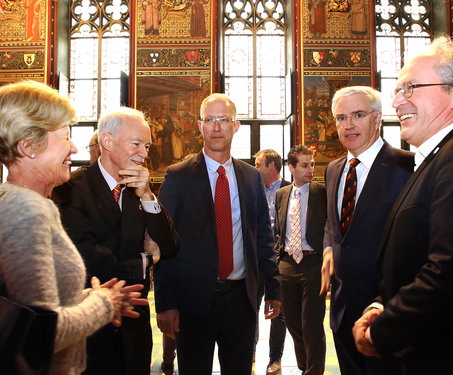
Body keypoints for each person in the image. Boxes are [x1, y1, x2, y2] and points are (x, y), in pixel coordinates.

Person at [0, 81, 146, 375]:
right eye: (65, 136)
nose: (74, 147)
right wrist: (104, 303)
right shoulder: (26, 209)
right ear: (28, 145)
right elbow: (41, 333)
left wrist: (86, 299)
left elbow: (22, 310)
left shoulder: (22, 202)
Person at [353, 37, 453, 374]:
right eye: (397, 89)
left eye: (410, 88)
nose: (397, 100)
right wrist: (382, 304)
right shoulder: (439, 157)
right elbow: (415, 255)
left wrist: (382, 331)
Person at [155, 93, 282, 375]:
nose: (216, 127)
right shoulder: (178, 176)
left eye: (223, 120)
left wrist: (273, 286)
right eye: (209, 120)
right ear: (199, 125)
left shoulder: (250, 177)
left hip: (242, 301)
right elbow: (164, 244)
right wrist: (165, 303)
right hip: (194, 301)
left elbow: (262, 235)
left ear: (235, 126)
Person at [52, 107, 178, 375]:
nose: (144, 153)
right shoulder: (71, 190)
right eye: (137, 144)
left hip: (134, 332)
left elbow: (169, 245)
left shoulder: (137, 191)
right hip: (90, 332)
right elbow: (87, 259)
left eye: (146, 146)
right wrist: (147, 260)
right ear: (107, 142)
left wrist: (147, 195)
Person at [320, 86, 414, 374]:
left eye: (358, 115)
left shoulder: (406, 167)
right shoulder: (334, 169)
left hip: (385, 310)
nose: (348, 125)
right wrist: (328, 248)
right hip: (342, 308)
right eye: (341, 117)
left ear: (377, 119)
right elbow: (335, 223)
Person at [274, 145, 327, 375]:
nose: (310, 169)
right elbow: (278, 229)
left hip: (313, 263)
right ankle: (305, 366)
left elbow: (330, 228)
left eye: (312, 164)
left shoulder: (321, 193)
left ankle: (314, 371)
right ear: (291, 167)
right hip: (286, 264)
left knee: (312, 324)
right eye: (305, 165)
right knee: (293, 324)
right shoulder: (281, 195)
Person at [254, 149, 289, 375]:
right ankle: (248, 352)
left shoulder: (289, 189)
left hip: (280, 260)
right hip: (256, 258)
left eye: (259, 164)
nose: (255, 168)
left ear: (272, 166)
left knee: (279, 313)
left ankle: (274, 359)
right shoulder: (251, 189)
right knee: (249, 307)